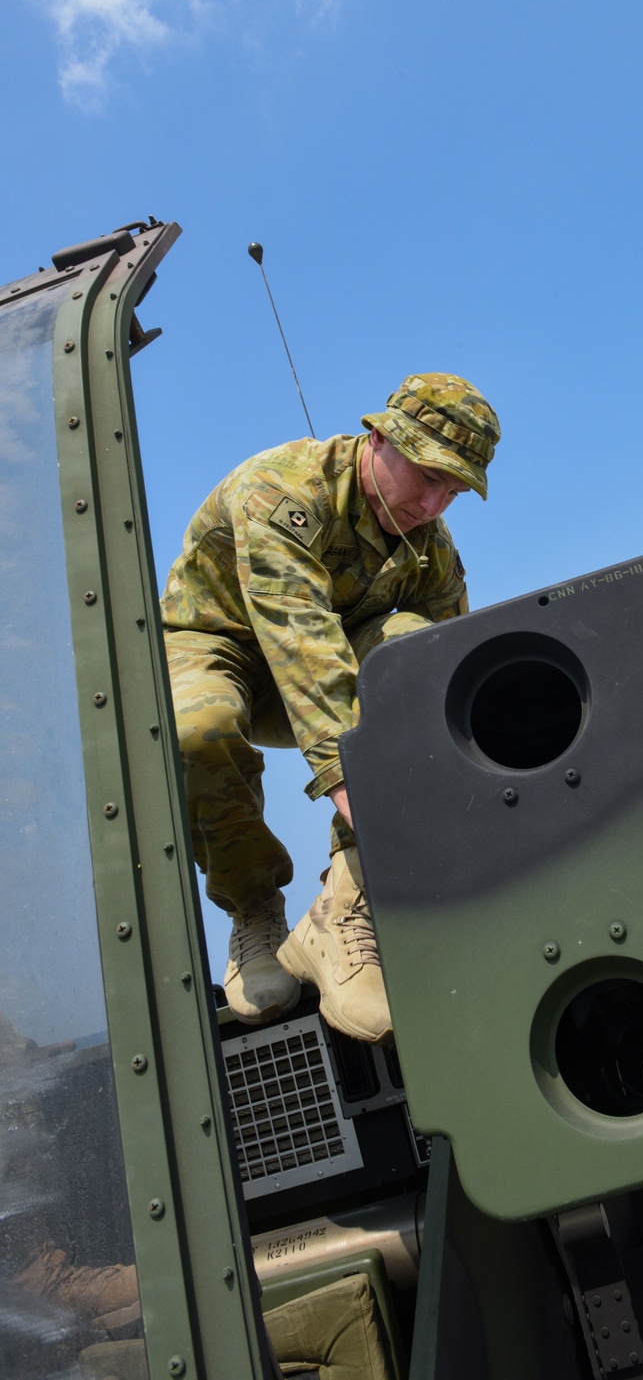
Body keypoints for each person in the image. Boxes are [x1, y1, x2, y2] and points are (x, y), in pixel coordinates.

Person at [160, 374, 500, 1042]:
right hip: (220, 647)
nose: (434, 504)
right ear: (379, 438)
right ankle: (255, 908)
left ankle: (347, 902)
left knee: (415, 649)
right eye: (428, 476)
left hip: (330, 664)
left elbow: (455, 671)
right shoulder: (283, 489)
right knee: (198, 725)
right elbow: (303, 650)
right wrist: (365, 800)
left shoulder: (431, 549)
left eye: (453, 492)